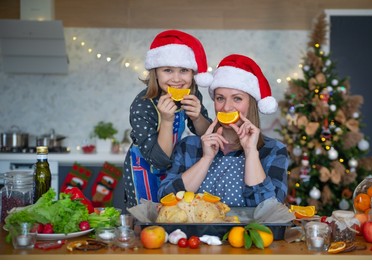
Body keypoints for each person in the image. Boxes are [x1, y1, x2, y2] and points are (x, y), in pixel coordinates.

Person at [158, 54, 289, 207]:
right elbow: (166, 200)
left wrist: (251, 152)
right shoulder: (189, 146)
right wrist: (206, 159)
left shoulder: (274, 150)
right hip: (194, 232)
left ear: (251, 104)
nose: (226, 107)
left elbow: (269, 210)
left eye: (237, 98)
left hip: (245, 232)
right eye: (220, 98)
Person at [123, 29, 213, 207]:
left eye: (184, 70)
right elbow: (158, 159)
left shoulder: (192, 94)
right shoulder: (142, 105)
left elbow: (206, 137)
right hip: (143, 167)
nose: (177, 79)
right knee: (146, 220)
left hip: (172, 168)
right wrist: (166, 121)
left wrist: (197, 118)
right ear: (155, 72)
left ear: (192, 74)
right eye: (168, 70)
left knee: (169, 214)